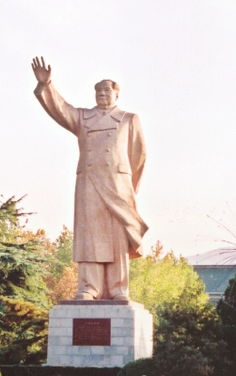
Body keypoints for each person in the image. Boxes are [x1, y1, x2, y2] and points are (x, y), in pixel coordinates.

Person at [31, 56, 149, 300]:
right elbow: (61, 110)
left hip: (118, 186)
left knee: (117, 237)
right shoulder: (84, 118)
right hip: (89, 183)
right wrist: (46, 85)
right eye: (98, 91)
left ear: (117, 94)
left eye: (106, 90)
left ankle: (118, 288)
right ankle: (89, 287)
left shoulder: (128, 119)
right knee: (90, 236)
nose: (101, 94)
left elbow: (139, 157)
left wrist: (128, 186)